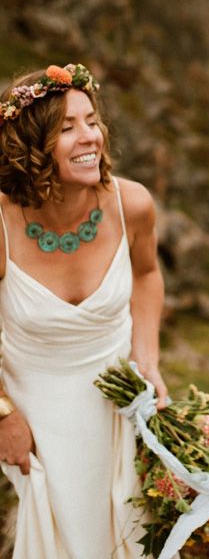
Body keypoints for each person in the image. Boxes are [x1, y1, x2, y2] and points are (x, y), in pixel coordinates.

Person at [0, 62, 167, 558]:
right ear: (31, 146)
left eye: (92, 121)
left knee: (130, 530)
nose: (89, 136)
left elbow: (146, 274)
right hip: (35, 409)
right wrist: (4, 415)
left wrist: (148, 359)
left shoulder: (131, 204)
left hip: (117, 399)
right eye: (67, 128)